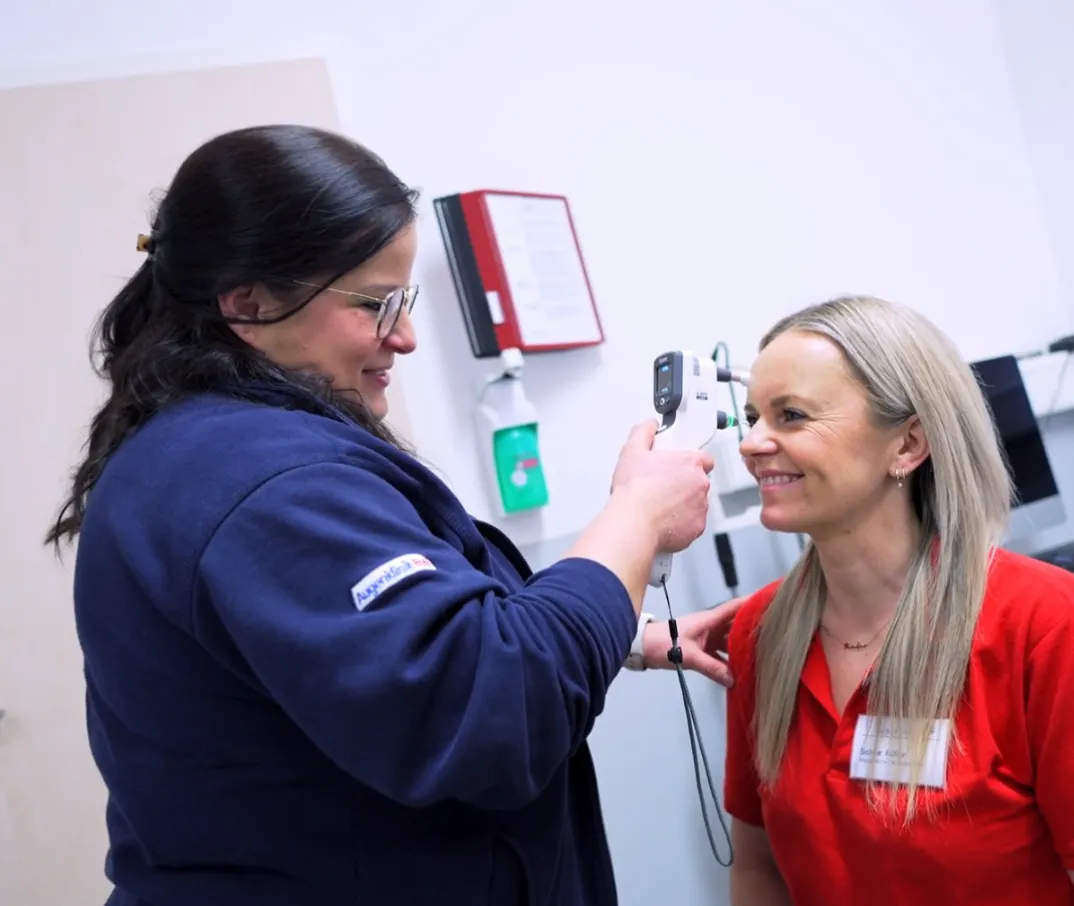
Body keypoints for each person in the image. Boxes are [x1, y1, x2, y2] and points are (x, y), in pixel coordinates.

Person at [44, 124, 742, 906]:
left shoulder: (199, 444)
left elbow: (385, 659)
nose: (404, 337)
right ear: (248, 304)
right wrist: (639, 516)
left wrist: (620, 632)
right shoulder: (268, 483)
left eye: (403, 300)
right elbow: (495, 709)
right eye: (377, 305)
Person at [722, 294, 1074, 906]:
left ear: (908, 445)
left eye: (792, 416)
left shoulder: (1045, 625)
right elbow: (758, 871)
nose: (752, 444)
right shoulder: (761, 632)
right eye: (752, 417)